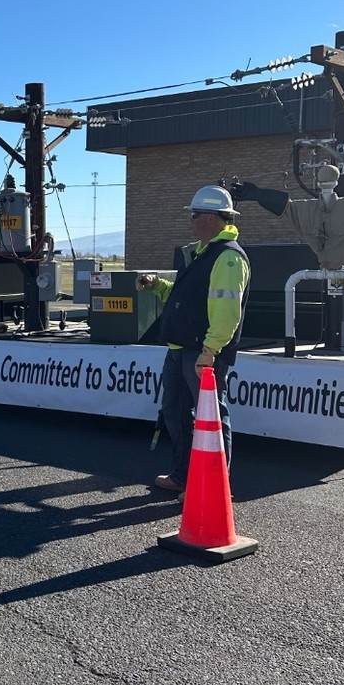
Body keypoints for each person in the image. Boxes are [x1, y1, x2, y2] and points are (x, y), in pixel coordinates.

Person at [137, 186, 250, 497]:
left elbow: (227, 312)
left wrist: (209, 351)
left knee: (210, 418)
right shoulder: (205, 253)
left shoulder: (227, 258)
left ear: (213, 218)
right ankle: (184, 476)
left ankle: (212, 488)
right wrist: (158, 285)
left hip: (200, 352)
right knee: (174, 412)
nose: (191, 220)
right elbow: (188, 298)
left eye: (195, 215)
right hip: (182, 349)